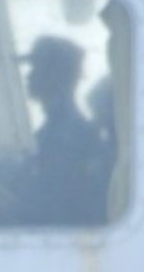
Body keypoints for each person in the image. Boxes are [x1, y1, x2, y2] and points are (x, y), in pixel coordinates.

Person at [19, 35, 111, 226]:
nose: (28, 76)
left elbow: (53, 208)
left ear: (54, 76)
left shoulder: (71, 136)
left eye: (35, 68)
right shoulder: (61, 131)